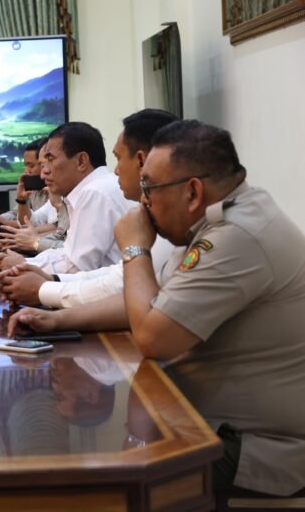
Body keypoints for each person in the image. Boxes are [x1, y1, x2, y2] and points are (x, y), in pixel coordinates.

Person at [113, 120, 305, 495]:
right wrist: (56, 316)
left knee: (114, 485)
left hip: (256, 448)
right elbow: (153, 303)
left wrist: (134, 248)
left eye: (149, 187)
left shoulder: (237, 236)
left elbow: (152, 336)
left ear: (192, 192)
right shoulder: (217, 219)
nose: (143, 201)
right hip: (199, 418)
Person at [0, 109, 178, 307]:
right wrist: (35, 273)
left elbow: (91, 272)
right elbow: (116, 274)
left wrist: (37, 280)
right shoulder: (89, 192)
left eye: (50, 159)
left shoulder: (95, 192)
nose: (116, 171)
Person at [0, 122, 132, 275]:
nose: (43, 173)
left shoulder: (95, 193)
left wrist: (21, 265)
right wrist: (25, 262)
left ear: (81, 161)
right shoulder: (92, 190)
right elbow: (68, 254)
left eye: (50, 160)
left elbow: (78, 267)